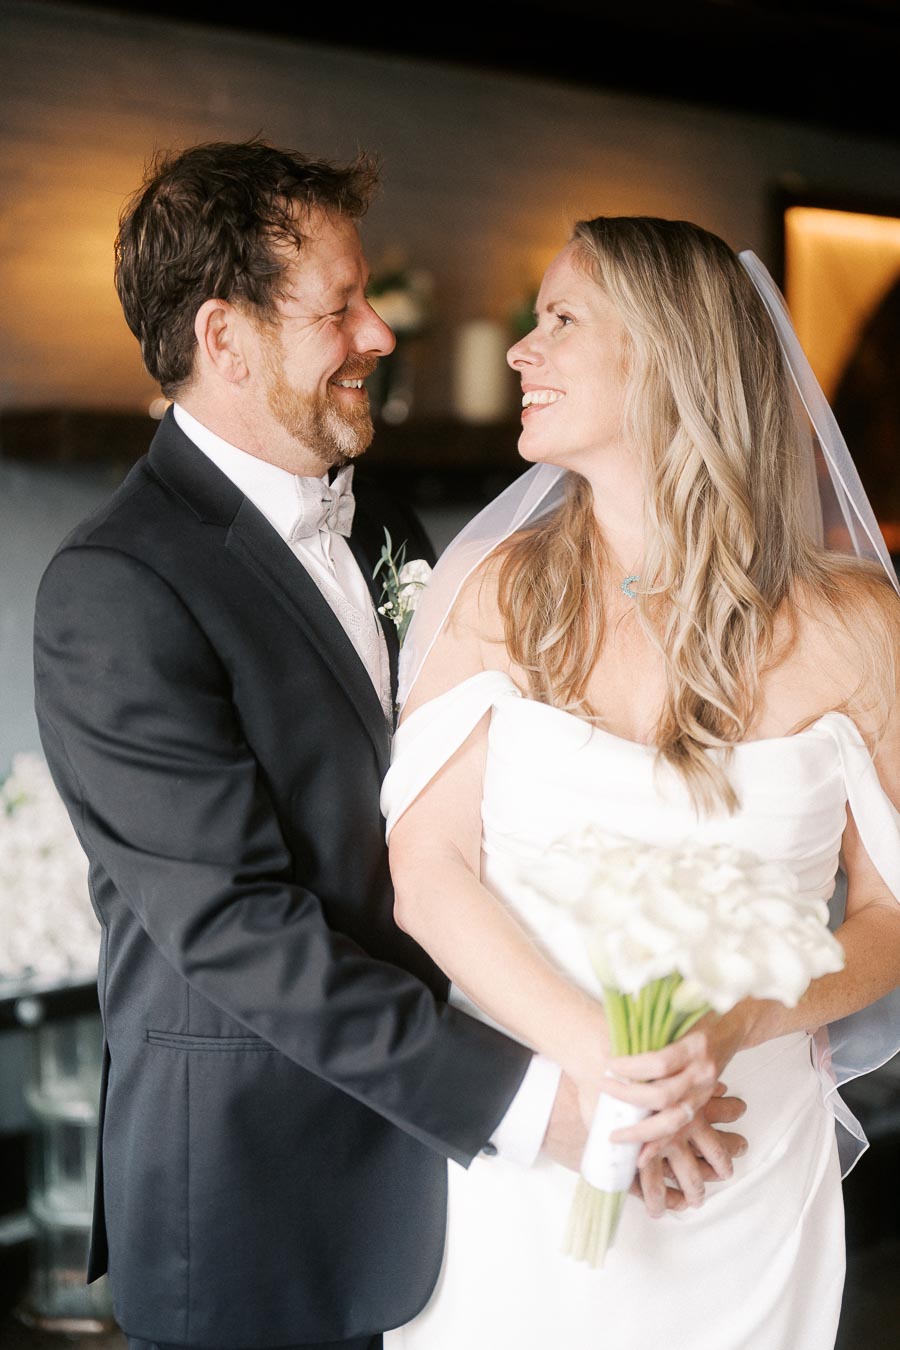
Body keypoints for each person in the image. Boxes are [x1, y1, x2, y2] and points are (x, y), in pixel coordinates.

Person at [31, 140, 571, 1350]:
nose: (380, 336)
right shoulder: (115, 587)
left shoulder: (380, 513)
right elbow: (237, 930)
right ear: (223, 340)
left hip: (448, 1184)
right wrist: (527, 1097)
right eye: (340, 309)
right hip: (258, 1189)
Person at [381, 216, 900, 1350]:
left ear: (671, 356)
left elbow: (892, 916)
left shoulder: (863, 629)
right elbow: (425, 875)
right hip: (539, 1150)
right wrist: (611, 1072)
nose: (523, 350)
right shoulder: (496, 593)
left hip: (745, 1165)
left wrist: (733, 1028)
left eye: (562, 320)